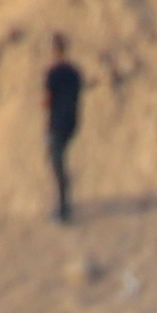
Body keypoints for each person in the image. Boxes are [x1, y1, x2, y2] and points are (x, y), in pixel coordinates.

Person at [40, 36, 89, 222]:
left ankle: (63, 208)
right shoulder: (75, 72)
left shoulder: (53, 73)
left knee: (57, 163)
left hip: (57, 123)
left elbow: (47, 100)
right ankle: (63, 204)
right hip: (72, 121)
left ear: (54, 51)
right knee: (59, 161)